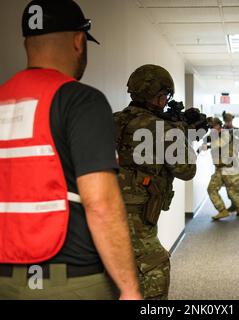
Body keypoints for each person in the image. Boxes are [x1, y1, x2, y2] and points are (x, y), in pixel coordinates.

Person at [0, 0, 141, 300]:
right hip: (68, 281)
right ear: (79, 42)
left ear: (27, 43)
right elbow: (100, 204)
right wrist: (129, 288)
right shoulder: (81, 101)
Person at [114, 64, 197, 300]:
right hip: (137, 218)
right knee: (155, 269)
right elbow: (187, 170)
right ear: (160, 97)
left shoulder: (111, 120)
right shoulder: (162, 128)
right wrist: (184, 136)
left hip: (104, 212)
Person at [204, 117, 239, 220]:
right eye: (210, 127)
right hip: (219, 169)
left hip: (230, 169)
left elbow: (220, 143)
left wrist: (208, 146)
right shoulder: (215, 135)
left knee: (233, 192)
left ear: (218, 125)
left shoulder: (226, 133)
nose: (211, 129)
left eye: (213, 126)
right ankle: (222, 210)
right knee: (211, 189)